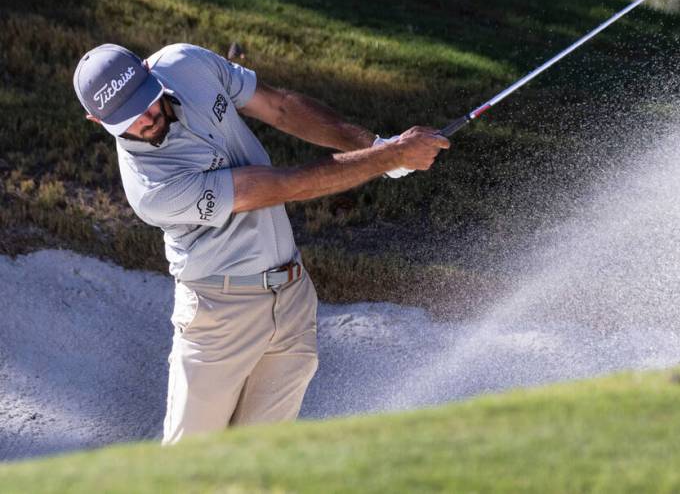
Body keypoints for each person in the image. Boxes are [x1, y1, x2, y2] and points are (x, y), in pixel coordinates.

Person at [72, 42, 449, 444]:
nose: (147, 118)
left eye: (147, 100)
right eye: (129, 118)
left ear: (149, 70)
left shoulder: (186, 63)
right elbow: (283, 186)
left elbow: (280, 107)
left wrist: (373, 145)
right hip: (219, 316)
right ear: (97, 120)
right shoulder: (151, 188)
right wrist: (388, 158)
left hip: (292, 296)